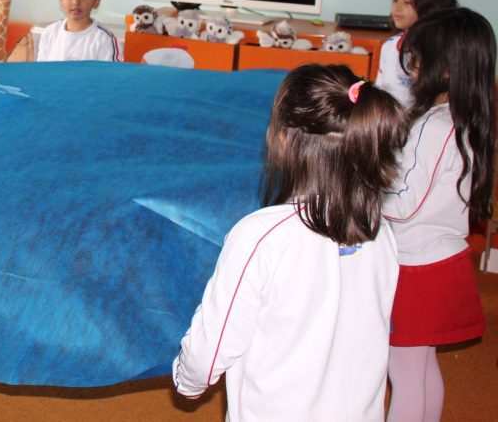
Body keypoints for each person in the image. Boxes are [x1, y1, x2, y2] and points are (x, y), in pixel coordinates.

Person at [173, 64, 407, 421]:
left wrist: (187, 380)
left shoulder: (262, 236)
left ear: (283, 140)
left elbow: (212, 346)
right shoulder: (379, 231)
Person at [383, 7, 495, 422]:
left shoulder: (434, 126)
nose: (411, 68)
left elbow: (405, 203)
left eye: (418, 58)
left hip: (417, 266)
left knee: (404, 370)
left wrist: (363, 198)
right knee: (421, 365)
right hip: (441, 259)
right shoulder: (465, 120)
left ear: (445, 68)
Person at [376, 0, 457, 107]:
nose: (397, 8)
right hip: (387, 116)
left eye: (407, 2)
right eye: (395, 0)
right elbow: (379, 88)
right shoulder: (389, 46)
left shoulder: (442, 51)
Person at [36, 0, 122, 62]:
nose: (76, 2)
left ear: (96, 1)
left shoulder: (105, 39)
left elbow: (111, 72)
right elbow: (42, 70)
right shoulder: (49, 33)